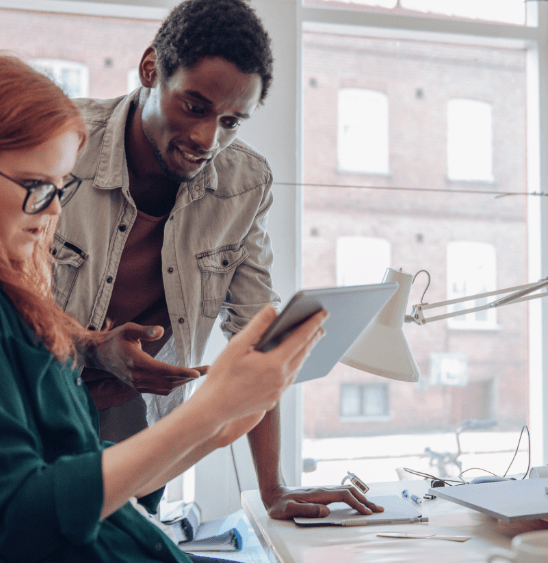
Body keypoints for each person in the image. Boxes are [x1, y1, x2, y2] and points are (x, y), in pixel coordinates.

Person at [0, 52, 382, 563]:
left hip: (124, 550)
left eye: (61, 188)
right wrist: (205, 413)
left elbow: (75, 474)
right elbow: (21, 517)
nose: (53, 213)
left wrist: (216, 427)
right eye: (36, 186)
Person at [53, 0, 360, 521]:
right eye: (194, 107)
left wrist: (273, 490)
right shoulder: (61, 146)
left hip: (144, 432)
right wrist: (95, 349)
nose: (206, 140)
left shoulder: (244, 184)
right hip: (39, 412)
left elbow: (259, 336)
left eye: (232, 122)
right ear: (151, 69)